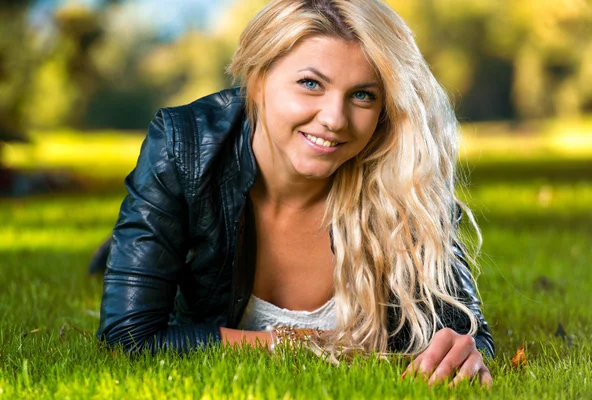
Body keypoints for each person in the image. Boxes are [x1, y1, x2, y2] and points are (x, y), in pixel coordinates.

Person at [96, 0, 494, 387]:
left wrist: (465, 350)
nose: (334, 119)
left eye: (363, 95)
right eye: (310, 84)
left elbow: (467, 332)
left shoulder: (402, 172)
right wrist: (294, 343)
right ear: (258, 79)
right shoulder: (183, 147)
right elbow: (129, 339)